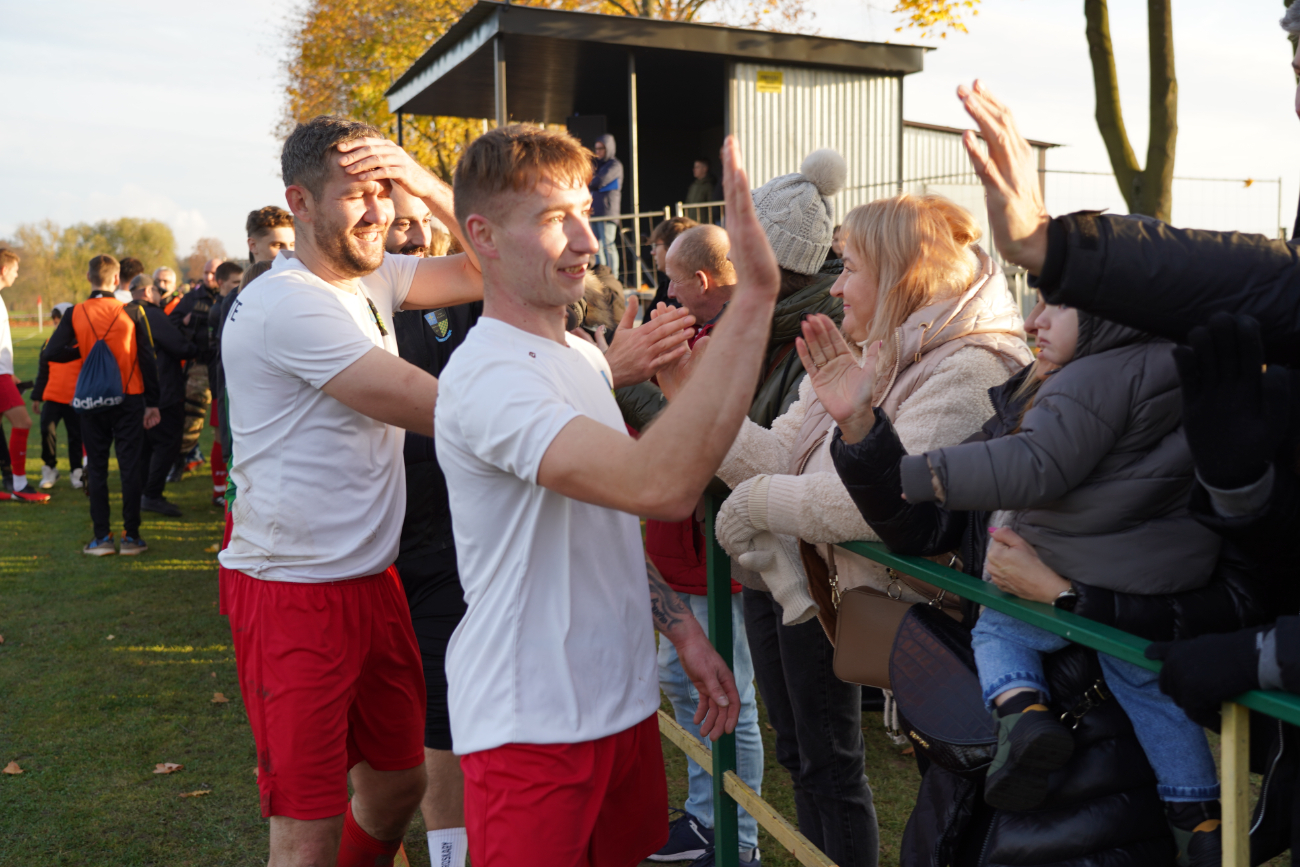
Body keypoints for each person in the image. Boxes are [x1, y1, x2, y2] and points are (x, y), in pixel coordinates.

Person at [956, 77, 1300, 864]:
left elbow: (1230, 587)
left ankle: (1035, 716)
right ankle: (1198, 818)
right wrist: (865, 440)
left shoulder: (1112, 397)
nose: (1033, 317)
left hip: (1108, 752)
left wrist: (1073, 596)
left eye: (1054, 298)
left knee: (1023, 639)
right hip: (1087, 756)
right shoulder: (1026, 392)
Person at [435, 125, 777, 866]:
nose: (587, 241)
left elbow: (602, 522)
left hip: (621, 710)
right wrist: (754, 299)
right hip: (531, 727)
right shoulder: (489, 375)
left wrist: (681, 627)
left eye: (587, 211)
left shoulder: (583, 356)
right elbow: (659, 486)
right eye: (556, 218)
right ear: (483, 235)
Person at [708, 193, 1031, 867]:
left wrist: (759, 501)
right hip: (896, 629)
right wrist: (695, 402)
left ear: (897, 273)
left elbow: (868, 504)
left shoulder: (972, 365)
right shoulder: (877, 349)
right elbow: (781, 454)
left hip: (963, 647)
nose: (838, 285)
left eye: (850, 267)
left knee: (966, 823)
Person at [218, 114, 484, 867]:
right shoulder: (287, 301)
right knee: (306, 833)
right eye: (356, 195)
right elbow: (436, 405)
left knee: (398, 787)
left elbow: (494, 266)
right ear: (298, 203)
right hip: (292, 593)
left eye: (383, 192)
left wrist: (425, 184)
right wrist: (589, 391)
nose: (378, 212)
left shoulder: (373, 274)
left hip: (372, 581)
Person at [636, 225, 765, 866]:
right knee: (690, 681)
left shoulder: (737, 340)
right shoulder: (712, 334)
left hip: (710, 549)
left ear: (701, 282)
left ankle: (733, 838)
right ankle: (707, 817)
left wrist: (631, 367)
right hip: (684, 543)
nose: (666, 292)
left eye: (672, 280)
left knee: (726, 691)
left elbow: (687, 431)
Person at [384, 178, 481, 867]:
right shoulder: (348, 300)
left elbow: (494, 256)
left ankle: (449, 854)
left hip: (454, 537)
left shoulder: (467, 292)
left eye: (421, 220)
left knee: (445, 714)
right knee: (380, 725)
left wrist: (420, 180)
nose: (413, 233)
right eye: (397, 224)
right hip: (372, 542)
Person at [41, 254, 160, 552]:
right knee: (129, 466)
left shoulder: (76, 312)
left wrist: (83, 352)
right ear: (119, 278)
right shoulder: (132, 311)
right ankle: (131, 536)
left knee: (96, 466)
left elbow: (51, 352)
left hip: (92, 398)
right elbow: (147, 358)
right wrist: (153, 402)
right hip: (129, 397)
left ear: (88, 277)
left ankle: (102, 538)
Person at [127, 276, 196, 517]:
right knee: (168, 443)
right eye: (157, 289)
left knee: (145, 446)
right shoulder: (152, 314)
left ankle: (144, 491)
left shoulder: (125, 312)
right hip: (162, 389)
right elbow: (180, 347)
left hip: (134, 390)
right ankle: (152, 494)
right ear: (148, 291)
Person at [0, 248, 51, 503]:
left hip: (3, 375)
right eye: (16, 270)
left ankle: (13, 483)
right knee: (23, 423)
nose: (18, 275)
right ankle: (19, 485)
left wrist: (10, 373)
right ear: (4, 270)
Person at [168, 256, 222, 479]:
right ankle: (179, 462)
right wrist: (186, 323)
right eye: (206, 273)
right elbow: (171, 325)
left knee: (226, 418)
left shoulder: (230, 295)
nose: (209, 277)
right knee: (191, 416)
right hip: (199, 364)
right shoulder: (191, 298)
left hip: (223, 364)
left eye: (213, 273)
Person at [30, 303, 85, 491]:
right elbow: (43, 373)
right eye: (54, 322)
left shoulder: (81, 344)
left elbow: (86, 374)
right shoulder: (48, 344)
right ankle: (50, 468)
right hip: (52, 397)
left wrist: (79, 395)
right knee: (47, 431)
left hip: (74, 400)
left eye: (59, 321)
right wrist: (37, 397)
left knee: (75, 436)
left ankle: (76, 470)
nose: (56, 326)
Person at [204, 261, 244, 506]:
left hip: (226, 382)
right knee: (221, 436)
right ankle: (220, 488)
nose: (239, 288)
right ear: (222, 283)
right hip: (221, 383)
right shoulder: (219, 309)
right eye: (235, 283)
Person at [589, 133, 623, 279]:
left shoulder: (615, 165)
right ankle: (601, 276)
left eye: (601, 148)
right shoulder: (598, 165)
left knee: (608, 245)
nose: (597, 152)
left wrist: (590, 180)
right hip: (595, 211)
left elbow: (599, 181)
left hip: (608, 212)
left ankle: (612, 277)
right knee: (596, 247)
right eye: (596, 148)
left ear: (608, 148)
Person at [647, 216, 696, 312]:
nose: (652, 252)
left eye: (655, 245)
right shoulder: (665, 285)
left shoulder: (687, 294)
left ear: (672, 246)